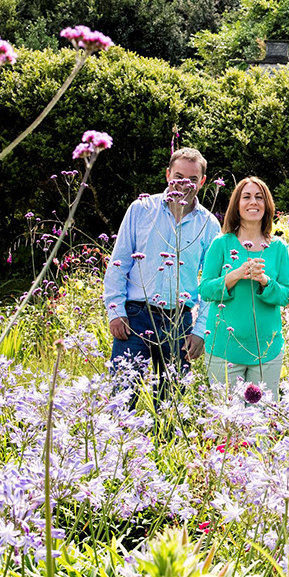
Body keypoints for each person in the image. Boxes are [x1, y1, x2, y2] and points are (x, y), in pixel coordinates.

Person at [103, 147, 221, 400]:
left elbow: (212, 286)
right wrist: (116, 312)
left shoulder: (209, 225)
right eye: (179, 176)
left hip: (179, 322)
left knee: (171, 403)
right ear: (168, 175)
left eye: (192, 179)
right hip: (134, 318)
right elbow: (118, 263)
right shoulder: (140, 209)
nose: (184, 184)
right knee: (121, 398)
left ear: (202, 182)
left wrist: (201, 331)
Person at [199, 176, 289, 402]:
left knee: (262, 423)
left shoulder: (278, 248)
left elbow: (285, 294)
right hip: (223, 349)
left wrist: (264, 281)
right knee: (229, 423)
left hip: (266, 352)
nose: (253, 202)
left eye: (259, 197)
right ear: (236, 205)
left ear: (267, 205)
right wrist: (234, 276)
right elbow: (205, 289)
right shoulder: (221, 244)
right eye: (247, 197)